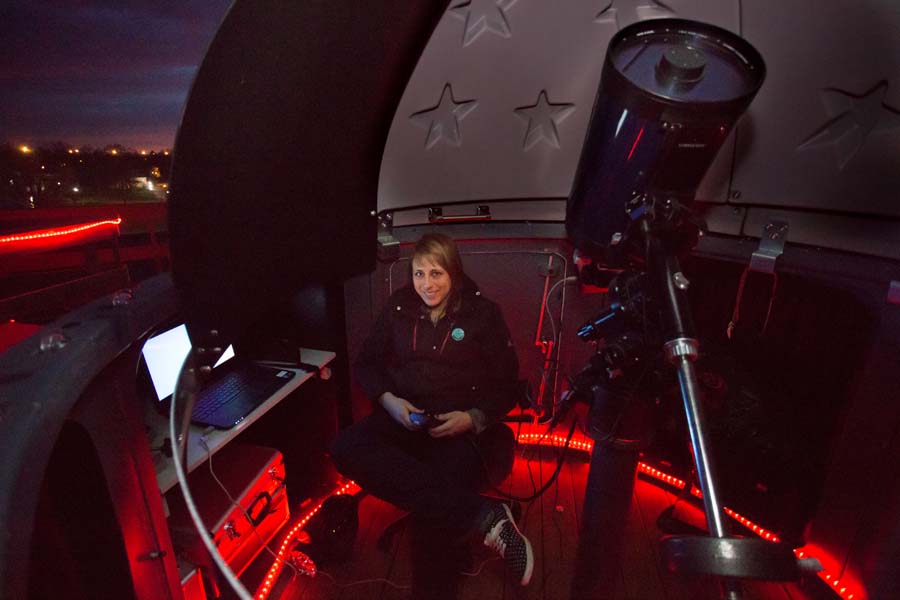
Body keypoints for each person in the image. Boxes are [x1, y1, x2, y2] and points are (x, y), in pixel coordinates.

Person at [330, 233, 533, 593]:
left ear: (453, 272)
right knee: (344, 447)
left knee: (431, 519)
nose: (427, 284)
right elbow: (366, 364)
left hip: (456, 427)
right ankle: (482, 516)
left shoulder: (483, 314)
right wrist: (390, 402)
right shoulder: (398, 307)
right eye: (419, 274)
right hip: (405, 418)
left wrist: (472, 417)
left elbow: (507, 385)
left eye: (436, 273)